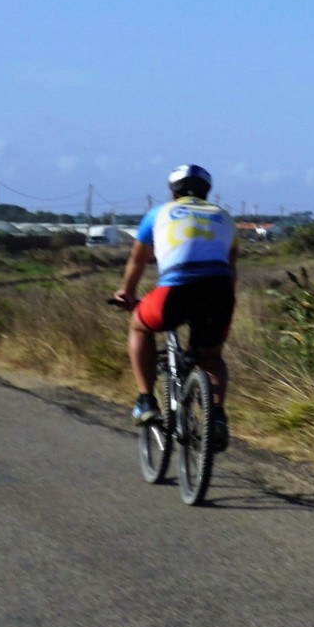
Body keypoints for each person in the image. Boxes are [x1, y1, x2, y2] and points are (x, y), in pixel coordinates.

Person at [110, 164, 237, 452]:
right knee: (211, 357)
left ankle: (145, 400)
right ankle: (216, 416)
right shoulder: (224, 217)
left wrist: (127, 293)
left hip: (174, 292)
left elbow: (138, 261)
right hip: (219, 294)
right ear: (207, 192)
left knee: (139, 326)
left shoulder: (158, 214)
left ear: (172, 192)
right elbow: (231, 271)